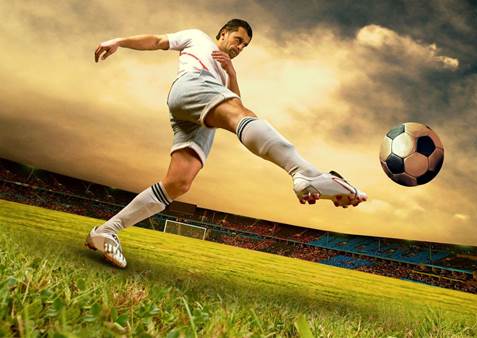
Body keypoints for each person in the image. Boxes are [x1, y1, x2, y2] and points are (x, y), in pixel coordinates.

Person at [86, 19, 367, 268]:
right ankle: (302, 171)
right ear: (223, 33)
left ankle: (107, 230)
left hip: (199, 116)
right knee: (242, 116)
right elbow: (159, 41)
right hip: (192, 86)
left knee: (178, 183)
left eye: (245, 46)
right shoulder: (199, 38)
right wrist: (118, 42)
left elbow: (238, 104)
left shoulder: (225, 72)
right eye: (238, 40)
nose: (240, 47)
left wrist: (231, 73)